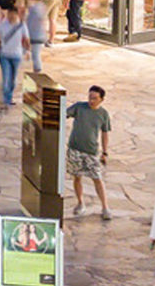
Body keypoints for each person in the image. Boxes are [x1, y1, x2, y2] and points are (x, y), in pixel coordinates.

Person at [65, 85, 112, 219]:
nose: (91, 100)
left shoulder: (103, 114)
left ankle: (105, 207)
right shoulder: (79, 107)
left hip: (91, 151)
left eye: (95, 98)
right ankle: (80, 203)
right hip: (75, 149)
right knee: (77, 177)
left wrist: (105, 152)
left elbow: (105, 133)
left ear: (101, 99)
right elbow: (63, 114)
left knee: (97, 179)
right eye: (90, 97)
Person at [0, 1, 29, 107]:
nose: (11, 17)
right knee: (6, 78)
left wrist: (27, 51)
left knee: (13, 80)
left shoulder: (21, 25)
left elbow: (26, 40)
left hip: (16, 55)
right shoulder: (3, 25)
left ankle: (9, 96)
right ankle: (7, 100)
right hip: (4, 55)